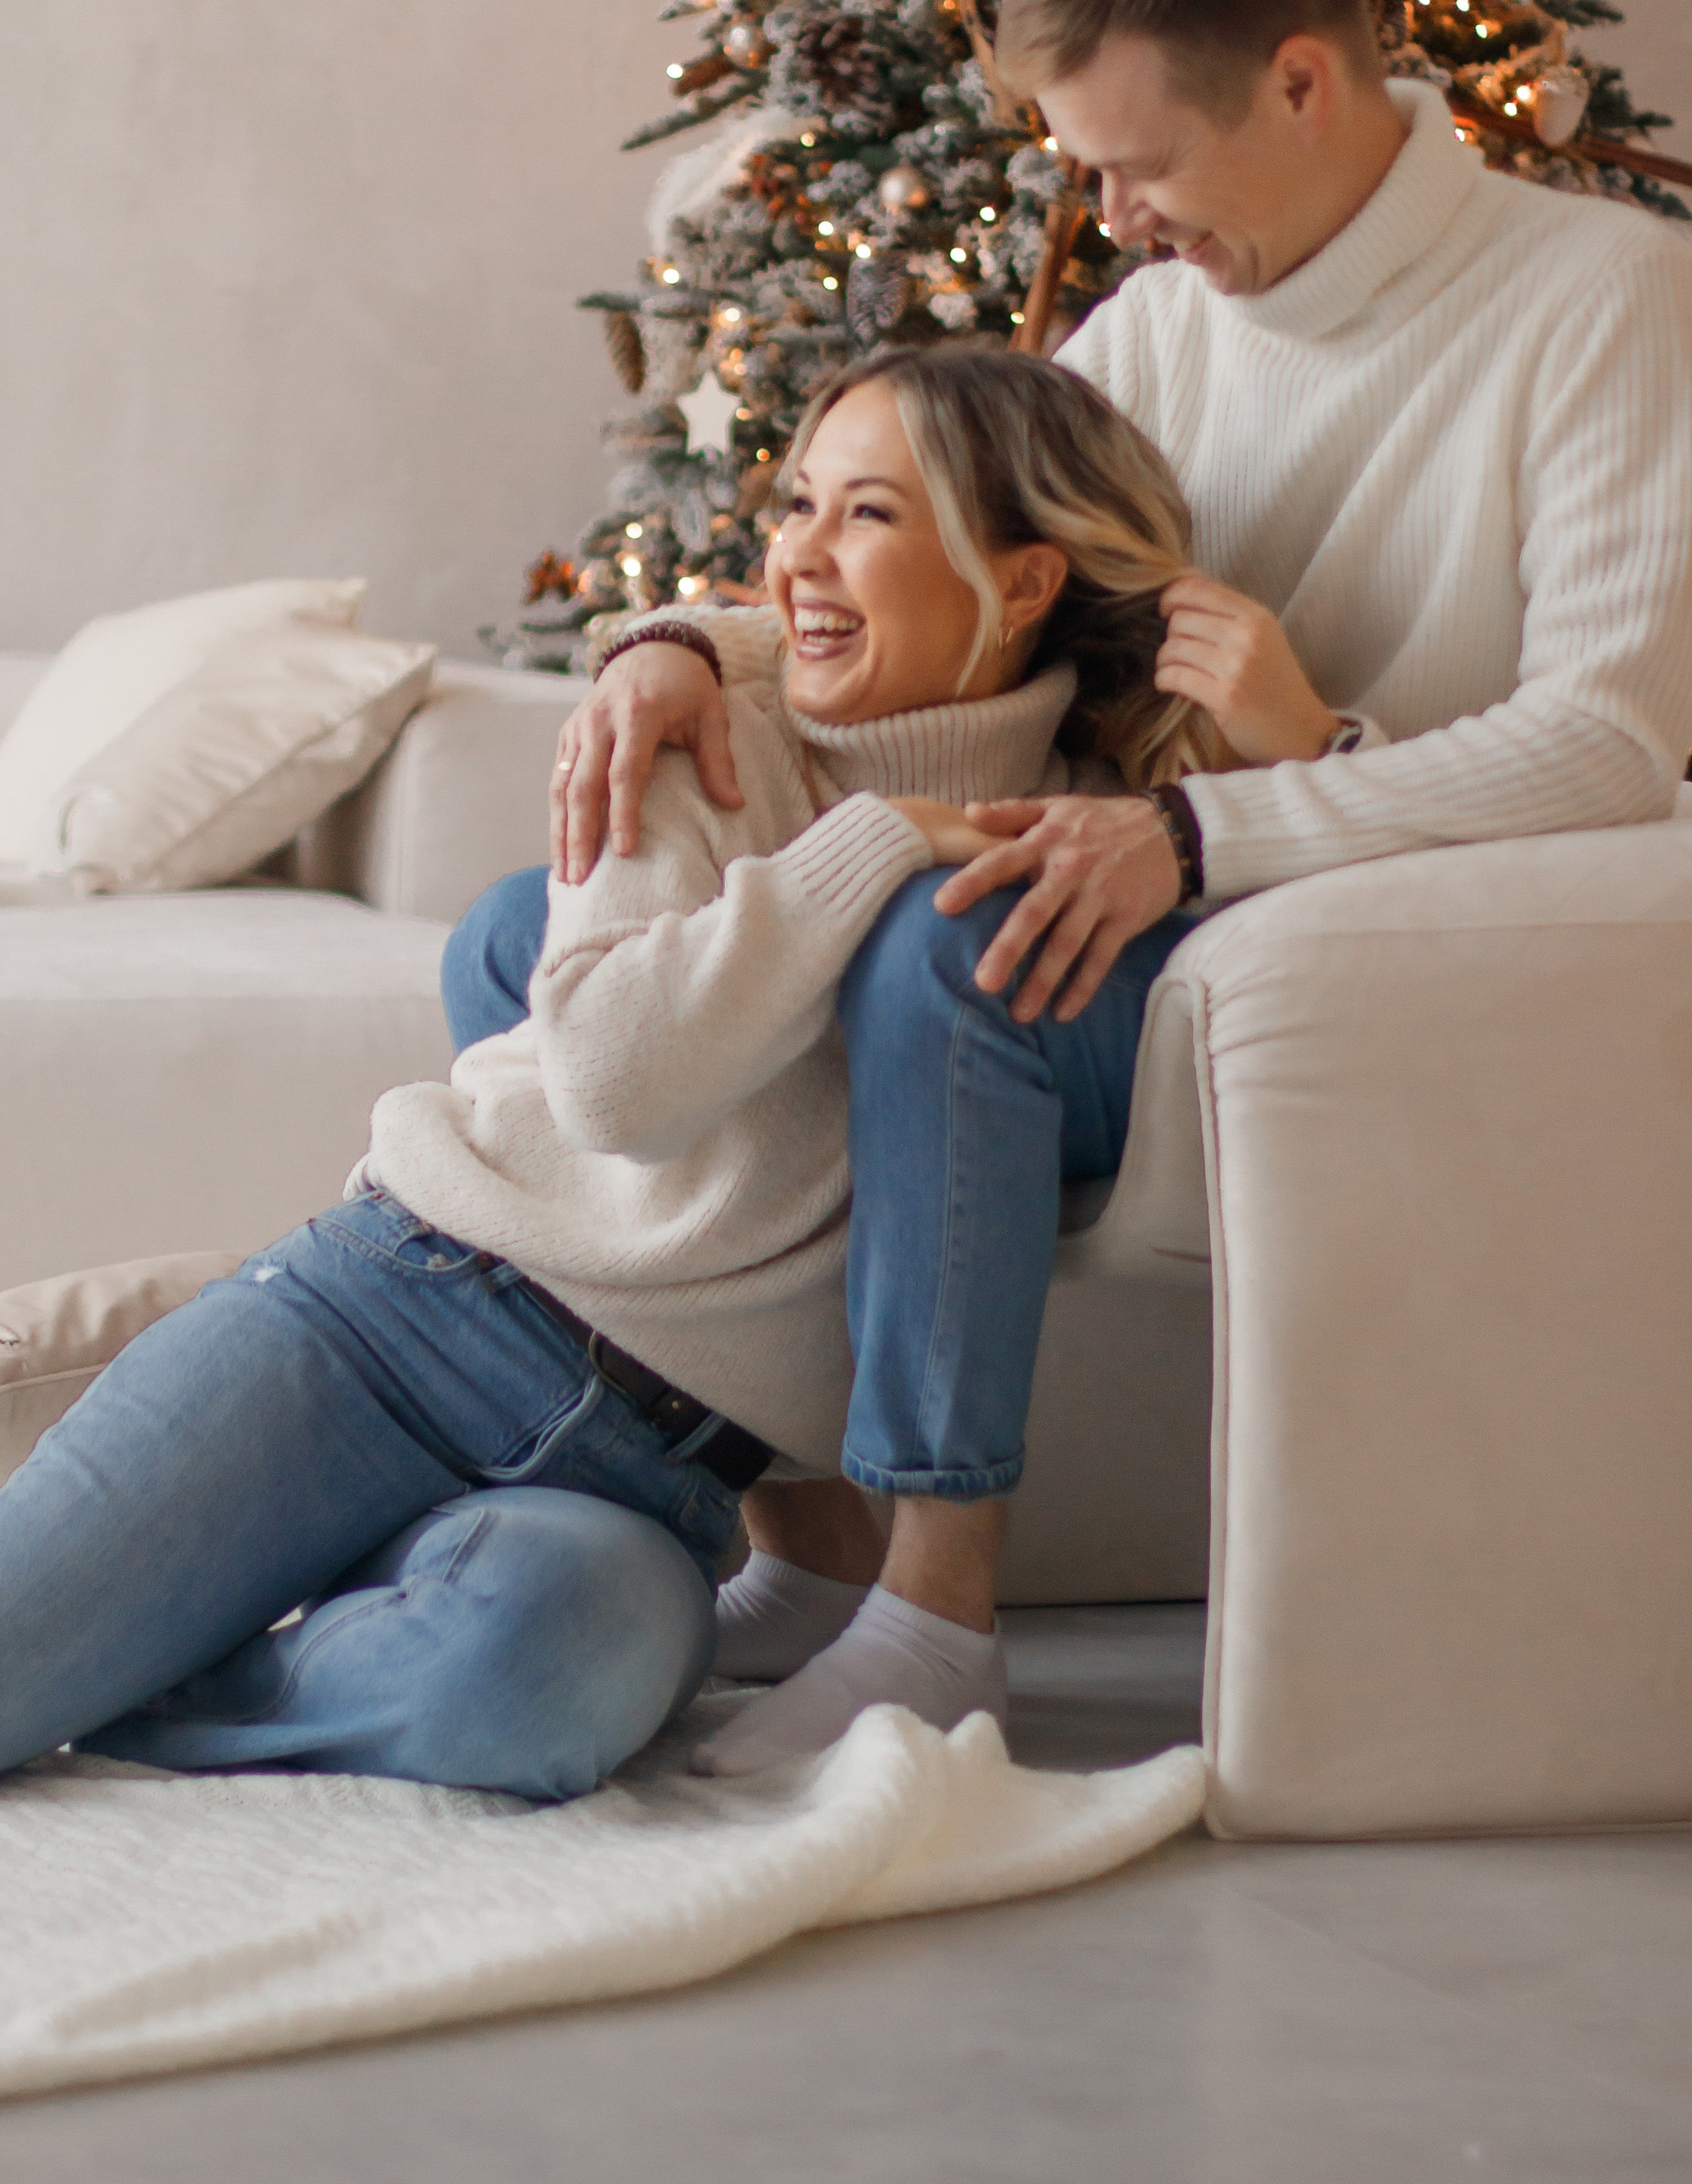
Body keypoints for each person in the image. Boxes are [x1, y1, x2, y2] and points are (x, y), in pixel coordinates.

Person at [473, 0, 1692, 1773]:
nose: (1110, 214)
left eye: (1136, 166)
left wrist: (1247, 801)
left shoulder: (1601, 300)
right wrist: (680, 646)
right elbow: (959, 556)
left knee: (956, 957)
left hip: (1373, 929)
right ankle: (806, 1522)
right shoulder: (1154, 331)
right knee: (513, 935)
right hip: (1169, 874)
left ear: (1301, 80)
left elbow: (1617, 746)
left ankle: (938, 1620)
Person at [0, 346, 1316, 1801]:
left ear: (1019, 582)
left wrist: (1308, 750)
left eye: (866, 516)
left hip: (645, 1483)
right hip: (395, 1318)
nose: (799, 557)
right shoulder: (704, 728)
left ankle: (163, 1669)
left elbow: (1295, 981)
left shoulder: (1082, 844)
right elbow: (618, 1083)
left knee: (554, 1684)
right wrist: (875, 836)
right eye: (797, 503)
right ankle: (135, 1554)